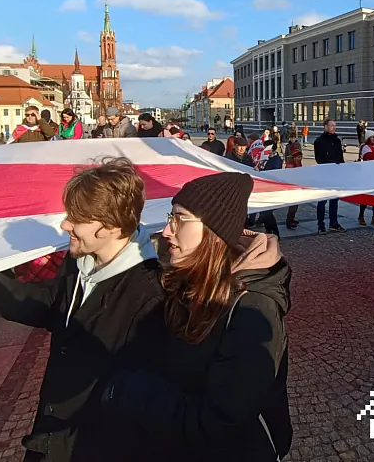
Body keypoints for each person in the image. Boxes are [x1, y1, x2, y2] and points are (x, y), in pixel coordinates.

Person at [0, 158, 167, 462]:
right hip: (51, 434)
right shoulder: (80, 262)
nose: (64, 224)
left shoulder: (149, 295)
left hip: (88, 447)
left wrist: (68, 446)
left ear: (111, 227)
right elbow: (54, 303)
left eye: (76, 218)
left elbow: (137, 403)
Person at [101, 172, 293, 462]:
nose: (167, 230)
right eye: (170, 216)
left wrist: (128, 391)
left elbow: (218, 422)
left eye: (179, 218)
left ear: (214, 230)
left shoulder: (252, 312)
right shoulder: (187, 282)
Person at [314, 118, 345, 234]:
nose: (334, 127)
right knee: (322, 200)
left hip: (336, 174)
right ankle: (320, 225)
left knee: (334, 200)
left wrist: (342, 168)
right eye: (332, 125)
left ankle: (334, 223)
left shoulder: (337, 140)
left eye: (335, 125)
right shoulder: (319, 141)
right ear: (326, 127)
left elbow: (340, 157)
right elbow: (319, 159)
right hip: (325, 174)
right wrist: (330, 164)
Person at [283, 134, 303, 230]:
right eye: (291, 138)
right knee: (293, 201)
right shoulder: (288, 146)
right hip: (291, 169)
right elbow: (286, 155)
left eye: (294, 138)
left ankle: (292, 218)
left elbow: (299, 154)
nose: (293, 139)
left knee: (297, 201)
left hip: (297, 171)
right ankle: (289, 220)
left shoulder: (298, 145)